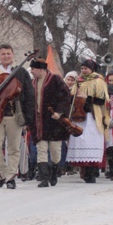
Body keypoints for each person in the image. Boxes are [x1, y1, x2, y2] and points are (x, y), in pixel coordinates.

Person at [0, 44, 35, 189]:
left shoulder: (21, 72)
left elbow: (29, 94)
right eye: (3, 54)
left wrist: (29, 116)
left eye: (8, 53)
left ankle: (10, 177)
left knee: (14, 147)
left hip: (14, 114)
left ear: (13, 54)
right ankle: (4, 173)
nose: (6, 56)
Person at [29, 58, 71, 188]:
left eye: (33, 69)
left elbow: (65, 97)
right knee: (41, 148)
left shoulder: (56, 80)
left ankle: (54, 171)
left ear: (41, 69)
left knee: (55, 150)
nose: (31, 71)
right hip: (38, 122)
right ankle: (44, 178)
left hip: (54, 122)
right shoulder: (32, 83)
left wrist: (59, 112)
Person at [66, 59, 110, 183]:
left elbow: (101, 100)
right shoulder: (78, 82)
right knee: (80, 142)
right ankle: (84, 171)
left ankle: (91, 172)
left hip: (92, 117)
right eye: (82, 68)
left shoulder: (98, 81)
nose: (83, 71)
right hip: (79, 116)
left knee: (90, 143)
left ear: (92, 69)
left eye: (86, 68)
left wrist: (87, 98)